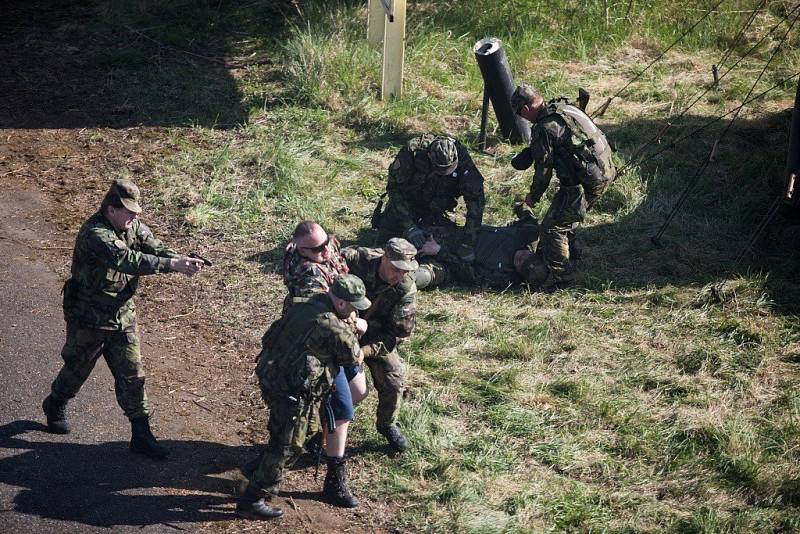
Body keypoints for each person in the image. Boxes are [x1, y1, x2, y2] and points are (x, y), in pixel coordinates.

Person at [41, 179, 205, 459]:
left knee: (132, 374)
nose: (134, 218)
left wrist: (180, 259)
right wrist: (171, 266)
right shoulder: (95, 234)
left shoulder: (133, 226)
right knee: (78, 368)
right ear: (110, 209)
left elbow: (154, 247)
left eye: (136, 213)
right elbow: (128, 260)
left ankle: (141, 434)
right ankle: (55, 402)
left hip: (121, 314)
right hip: (89, 317)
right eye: (128, 212)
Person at [237, 275, 370, 520]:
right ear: (340, 303)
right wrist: (356, 329)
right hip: (290, 389)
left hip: (272, 374)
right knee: (288, 446)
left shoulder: (306, 302)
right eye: (353, 306)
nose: (355, 311)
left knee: (294, 432)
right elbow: (354, 357)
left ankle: (254, 469)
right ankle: (253, 498)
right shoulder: (333, 325)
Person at [510, 83, 616, 291]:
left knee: (552, 227)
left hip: (585, 182)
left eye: (521, 114)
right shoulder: (564, 107)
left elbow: (543, 172)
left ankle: (561, 278)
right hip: (606, 170)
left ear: (525, 109)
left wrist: (533, 197)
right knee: (567, 215)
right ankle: (572, 251)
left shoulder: (544, 128)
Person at [280, 220, 368, 453]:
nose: (326, 251)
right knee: (342, 411)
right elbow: (323, 320)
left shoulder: (322, 250)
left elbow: (340, 258)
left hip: (341, 338)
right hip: (319, 347)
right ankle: (334, 472)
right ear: (301, 250)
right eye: (318, 249)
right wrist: (353, 321)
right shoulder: (308, 275)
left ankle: (322, 432)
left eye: (327, 243)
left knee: (359, 390)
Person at [341, 238, 418, 453]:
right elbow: (331, 256)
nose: (400, 276)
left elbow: (396, 334)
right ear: (383, 258)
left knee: (393, 379)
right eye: (396, 269)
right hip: (339, 326)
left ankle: (387, 424)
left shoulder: (405, 289)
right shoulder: (360, 260)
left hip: (376, 337)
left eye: (405, 271)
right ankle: (322, 427)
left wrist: (363, 352)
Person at [372, 134, 485, 260]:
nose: (443, 175)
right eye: (440, 170)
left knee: (437, 242)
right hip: (408, 205)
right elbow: (395, 190)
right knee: (387, 245)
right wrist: (409, 227)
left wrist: (468, 243)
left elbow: (476, 200)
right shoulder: (413, 151)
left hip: (436, 208)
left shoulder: (463, 158)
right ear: (429, 156)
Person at [413, 204, 548, 290]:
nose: (522, 257)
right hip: (451, 235)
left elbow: (467, 271)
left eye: (521, 264)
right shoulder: (527, 237)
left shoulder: (502, 276)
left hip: (447, 263)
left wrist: (438, 251)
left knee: (422, 275)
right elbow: (529, 217)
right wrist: (523, 207)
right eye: (528, 257)